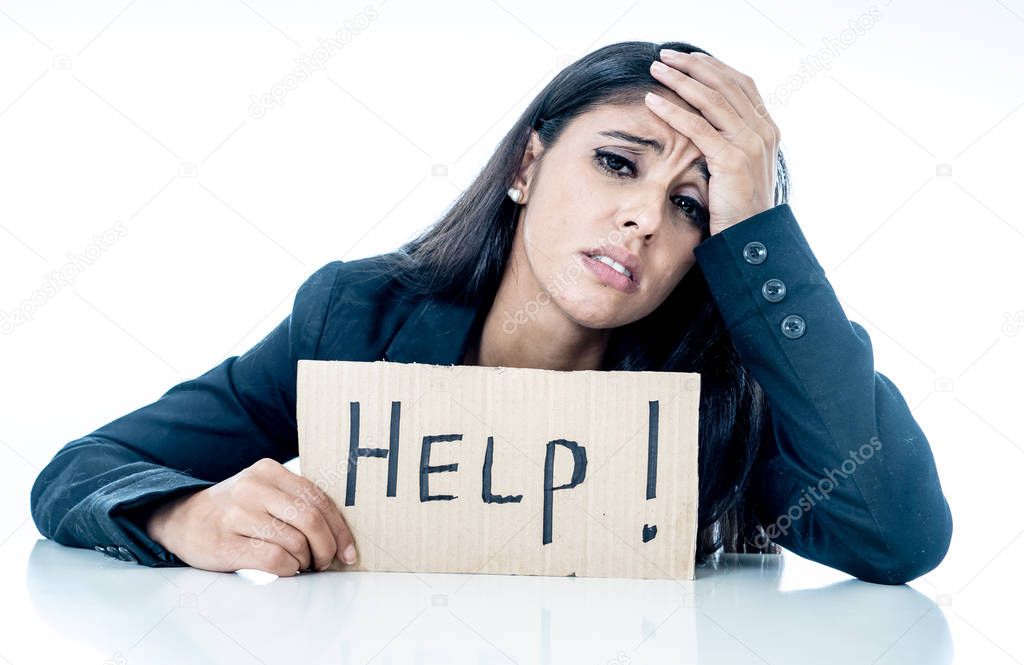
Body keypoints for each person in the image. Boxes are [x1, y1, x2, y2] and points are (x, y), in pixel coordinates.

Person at [29, 40, 952, 584]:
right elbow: (81, 470)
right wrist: (179, 517)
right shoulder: (358, 319)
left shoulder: (725, 396)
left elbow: (898, 533)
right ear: (525, 166)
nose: (641, 216)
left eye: (691, 206)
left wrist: (761, 235)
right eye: (619, 163)